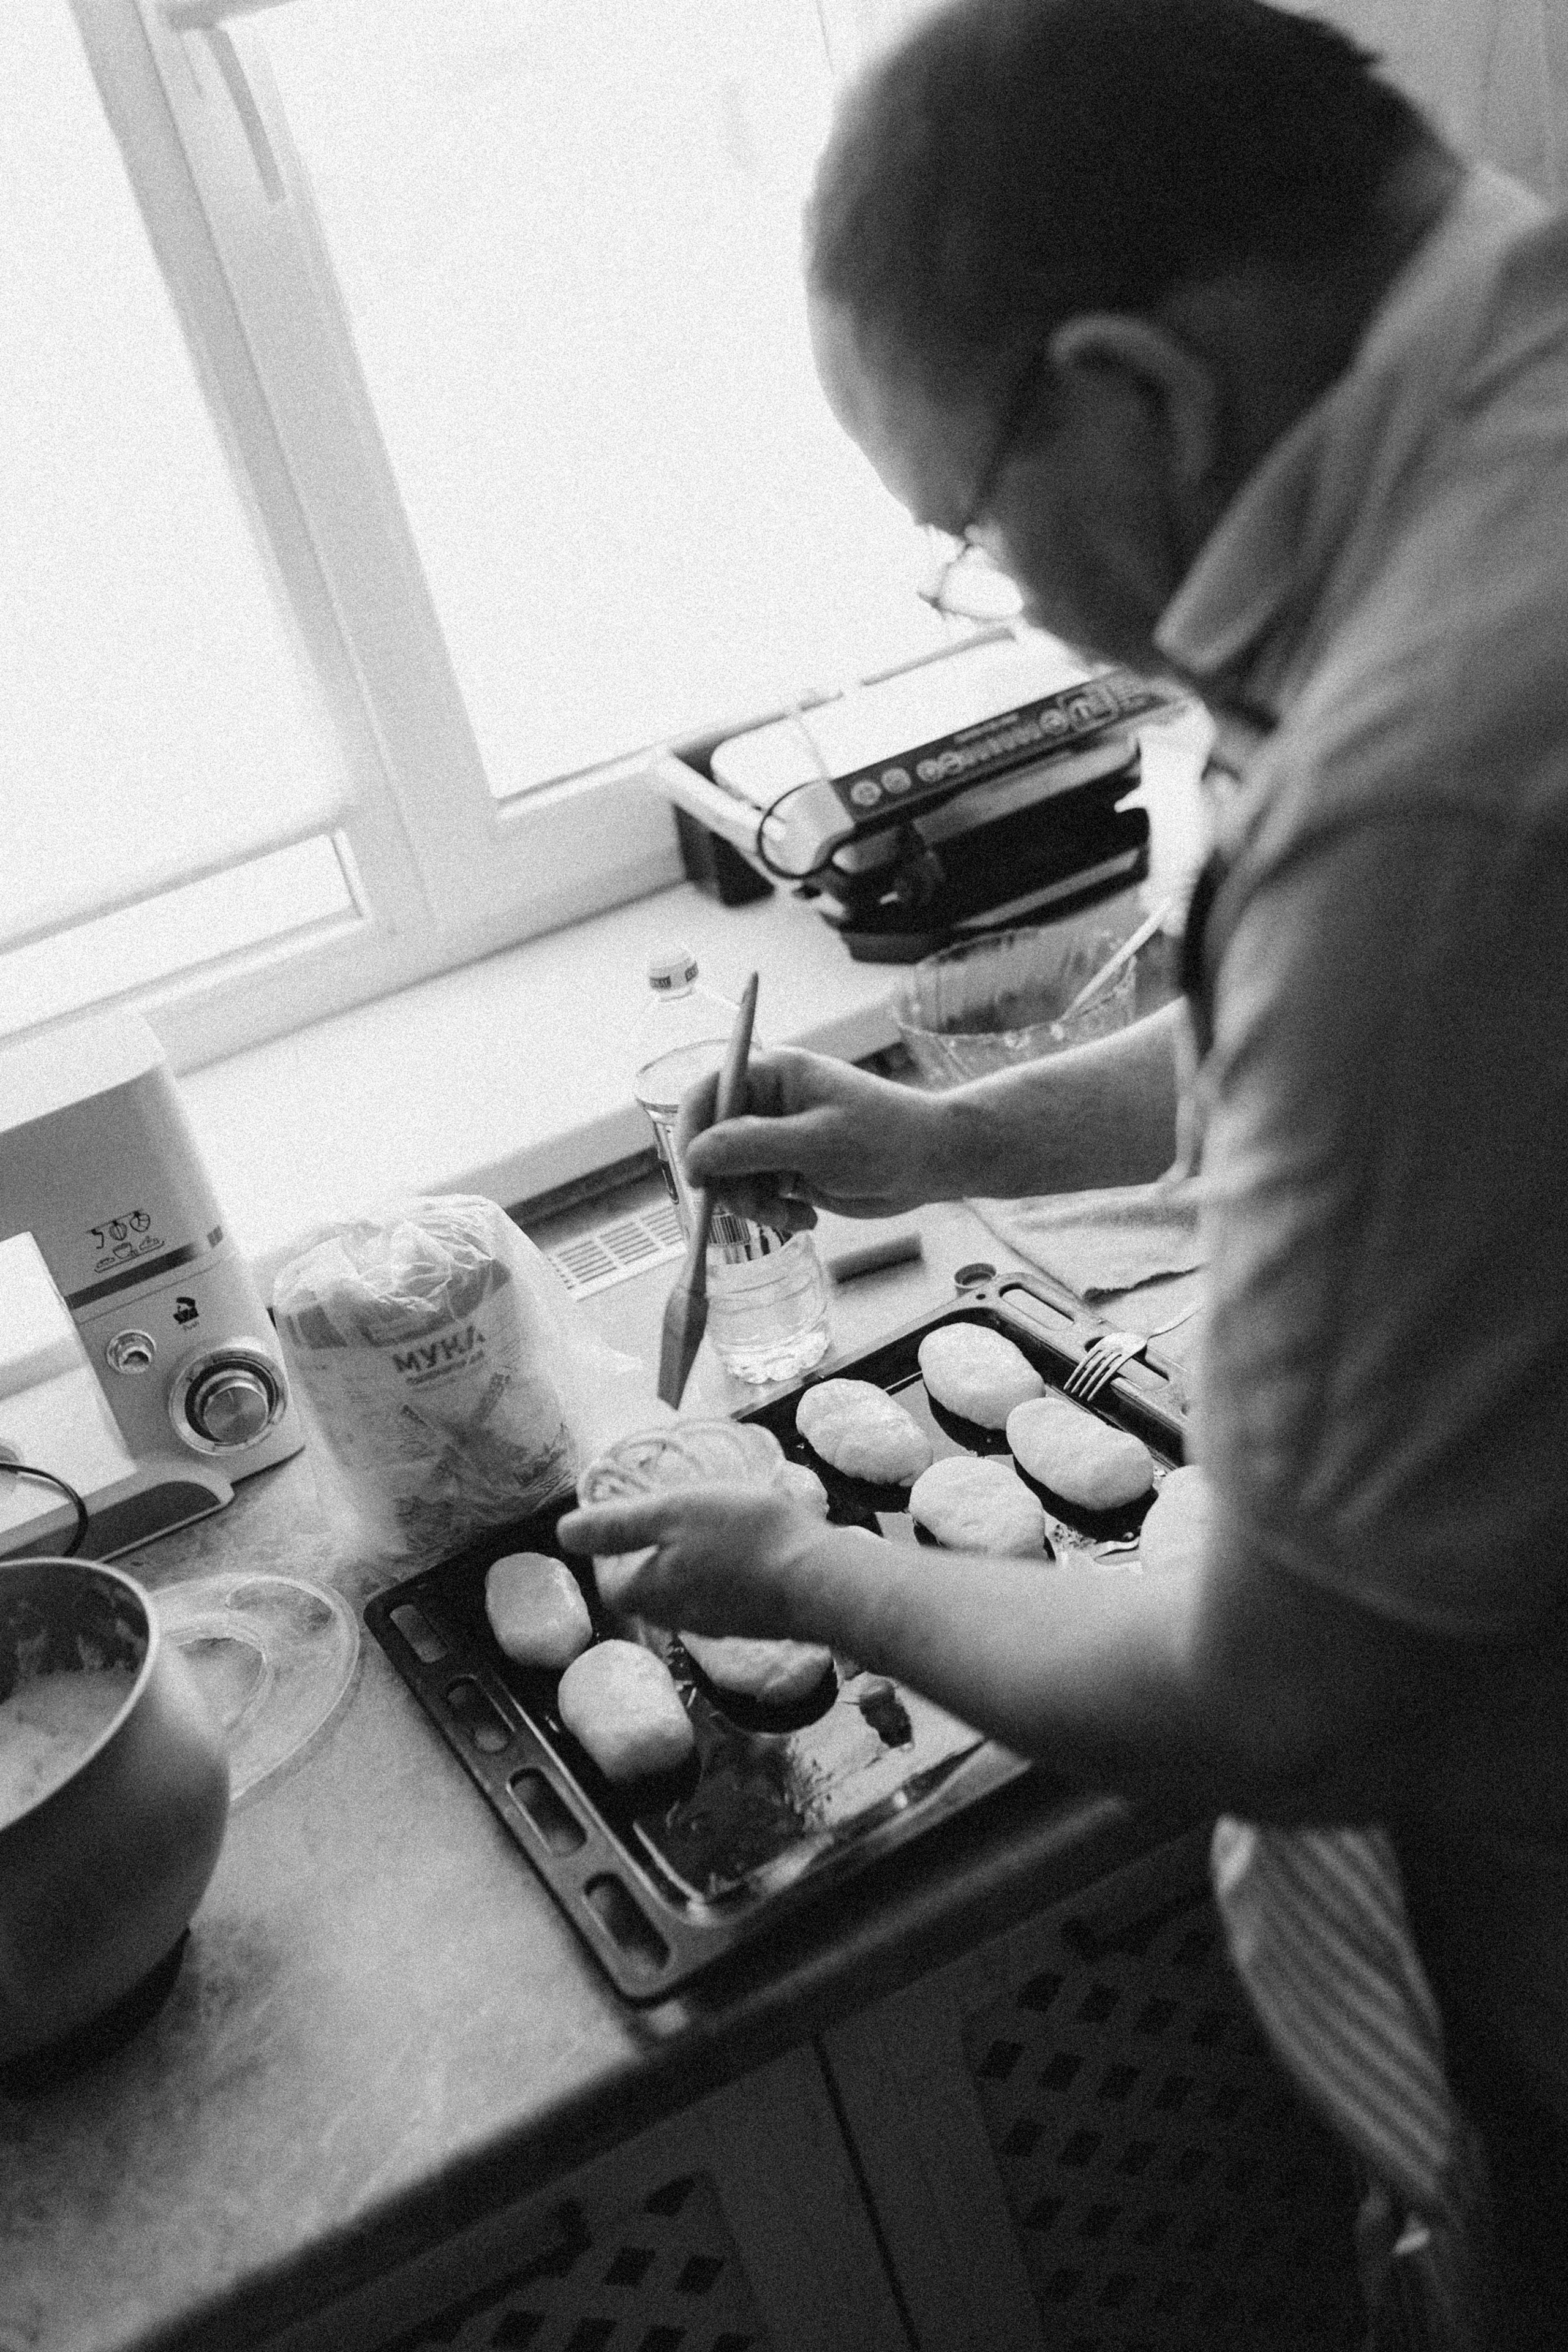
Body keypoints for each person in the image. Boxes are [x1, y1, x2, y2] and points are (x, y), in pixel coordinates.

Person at [562, 0, 1568, 2331]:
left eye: (968, 527)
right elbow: (1350, 1064)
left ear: (1132, 384)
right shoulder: (1483, 418)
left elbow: (1286, 1697)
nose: (1001, 595)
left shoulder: (1435, 769)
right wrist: (945, 1134)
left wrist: (803, 1566)